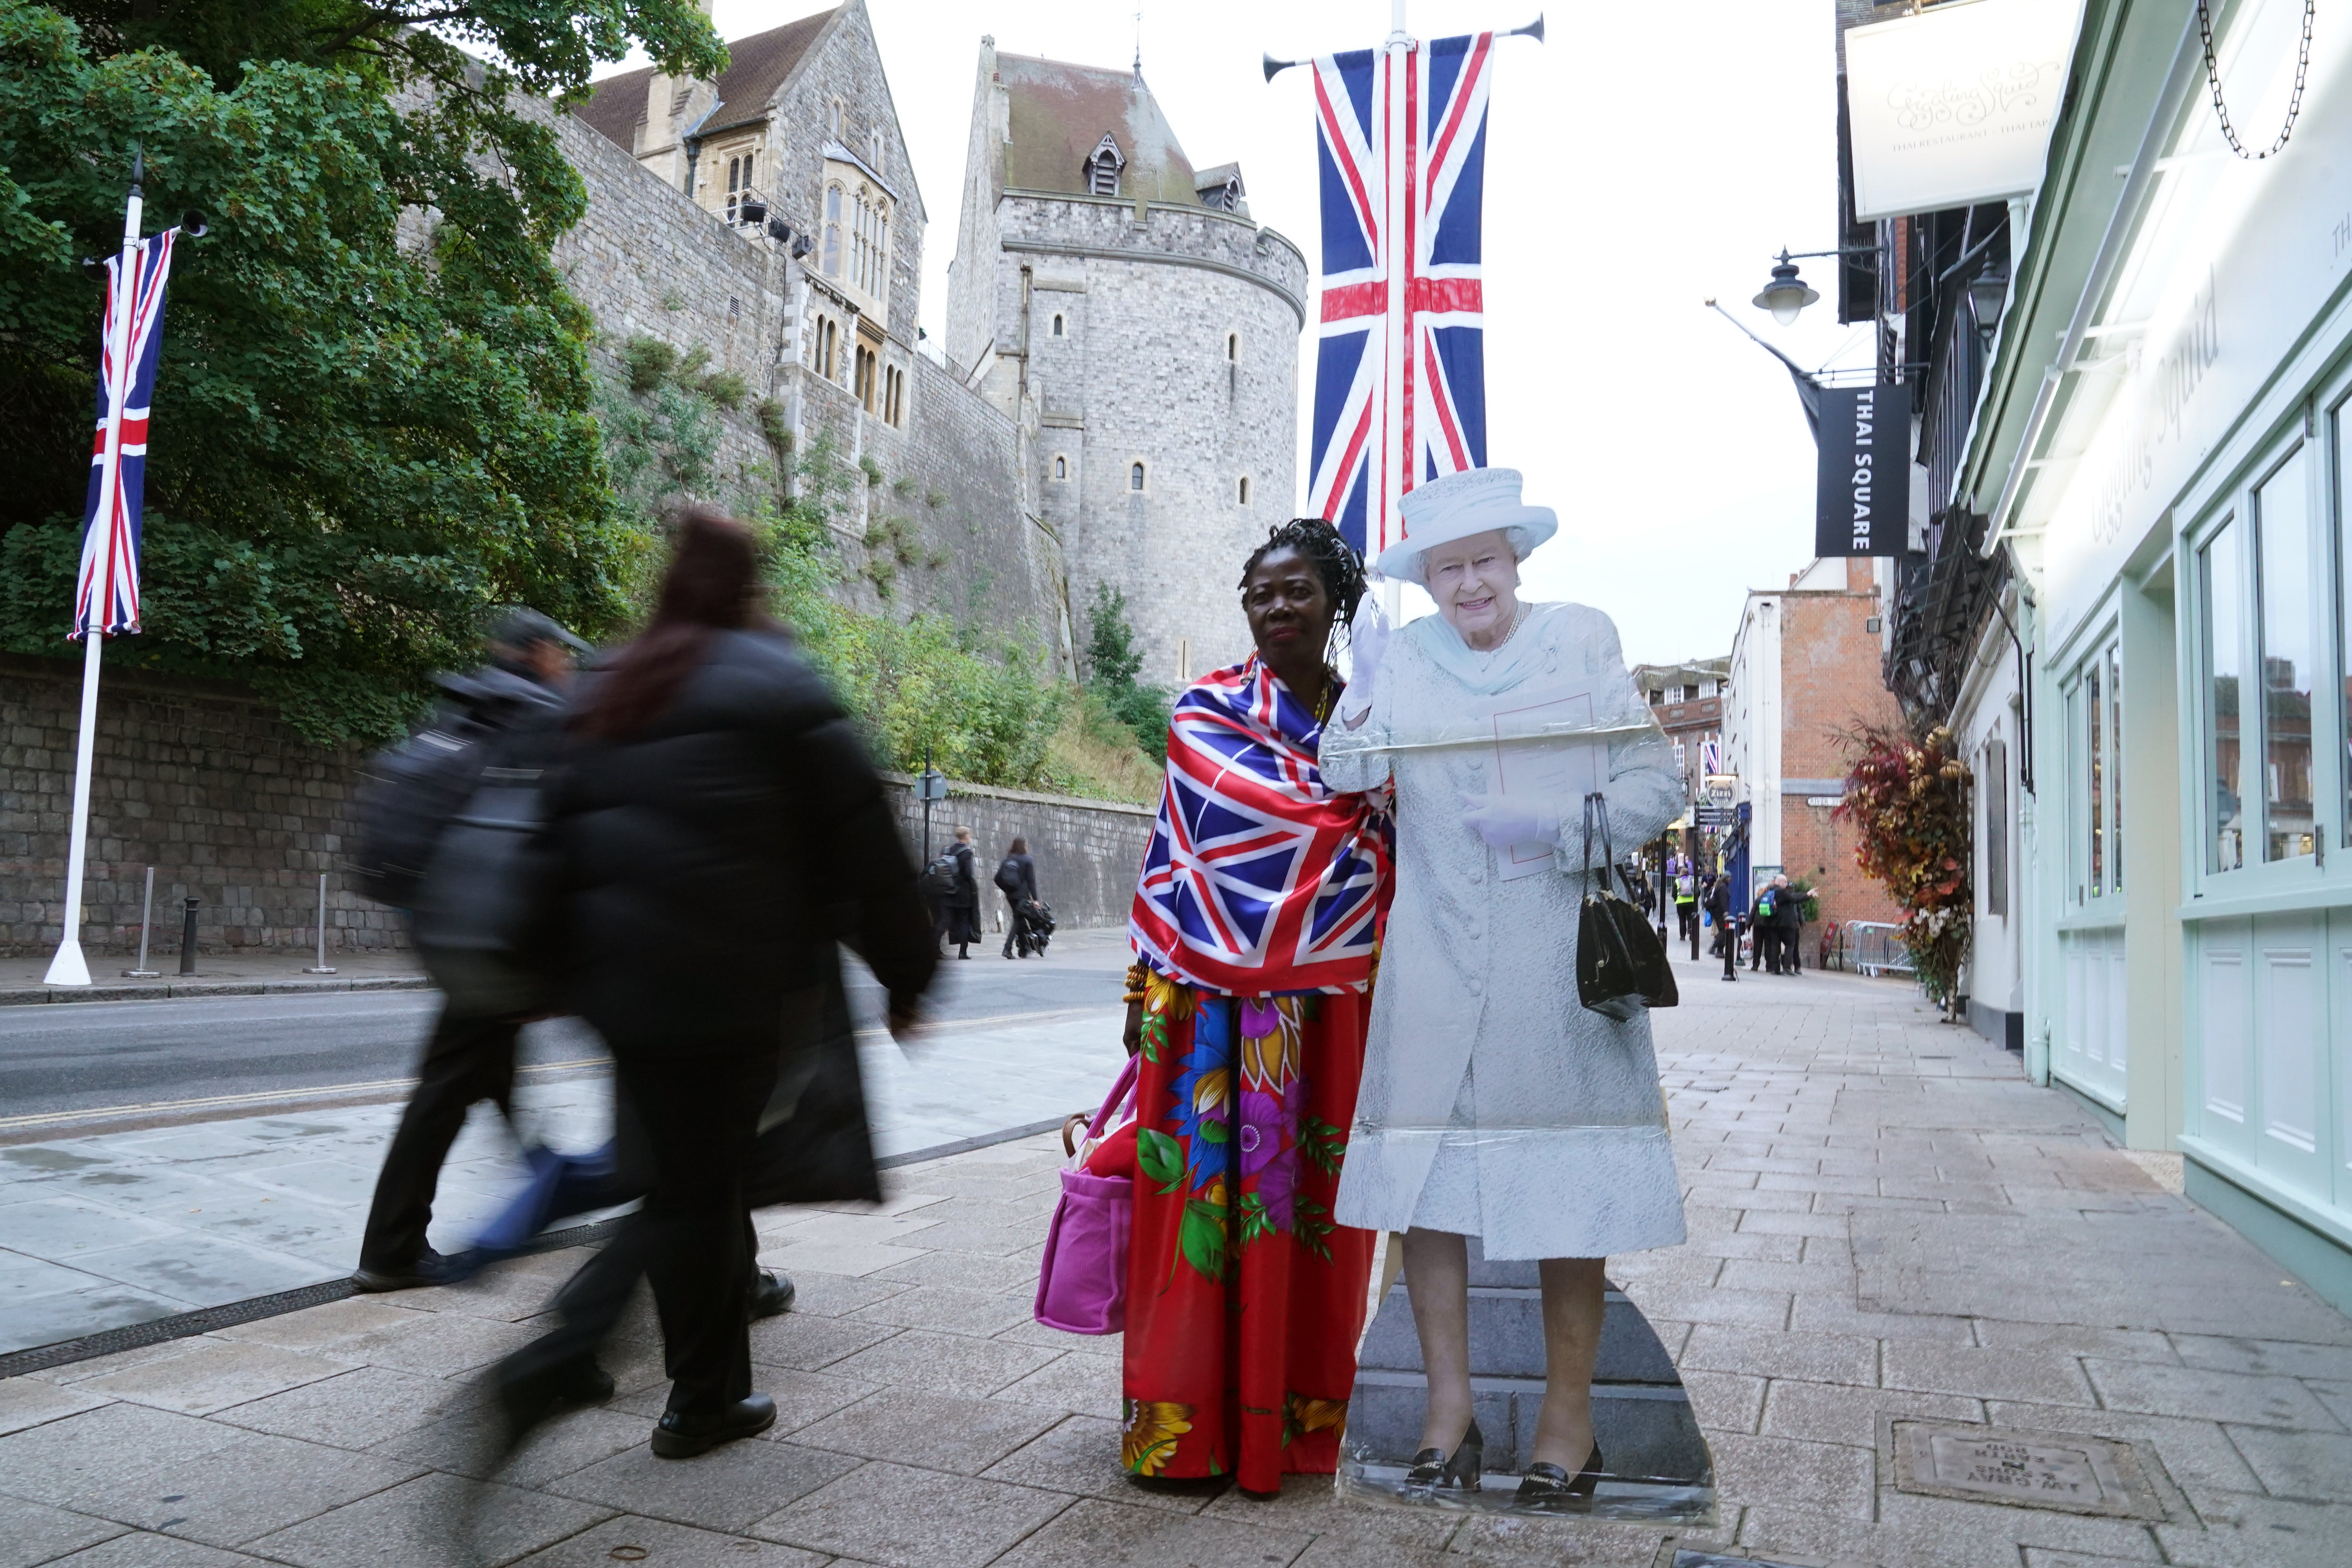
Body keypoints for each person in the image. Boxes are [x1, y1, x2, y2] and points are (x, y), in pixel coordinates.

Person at [496, 507, 935, 1457]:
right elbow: (866, 849)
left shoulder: (606, 682)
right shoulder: (777, 682)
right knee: (697, 1186)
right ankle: (606, 1366)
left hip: (620, 996)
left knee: (689, 1173)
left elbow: (548, 839)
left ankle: (698, 1384)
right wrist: (909, 974)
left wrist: (535, 970)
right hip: (738, 995)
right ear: (744, 590)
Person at [1325, 467, 1685, 1510]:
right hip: (1434, 958)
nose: (1470, 584)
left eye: (1485, 560)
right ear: (1427, 577)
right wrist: (1360, 689)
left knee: (1564, 1191)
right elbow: (1345, 775)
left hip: (1553, 963)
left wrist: (1561, 829)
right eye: (1449, 567)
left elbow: (1656, 784)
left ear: (1517, 557)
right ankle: (1451, 1419)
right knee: (1427, 1196)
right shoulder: (1413, 655)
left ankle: (1569, 1430)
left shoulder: (1581, 639)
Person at [1119, 517, 1392, 1495]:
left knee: (1313, 1214)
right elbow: (1207, 843)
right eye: (1261, 595)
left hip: (1323, 1015)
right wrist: (1360, 810)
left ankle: (1297, 1420)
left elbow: (1400, 837)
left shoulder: (1377, 723)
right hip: (1204, 1017)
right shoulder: (1205, 712)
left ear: (1336, 606)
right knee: (1201, 1213)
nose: (1277, 608)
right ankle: (1185, 1431)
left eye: (1298, 592)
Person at [354, 607, 587, 1292]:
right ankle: (396, 1247)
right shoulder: (540, 716)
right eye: (562, 654)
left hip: (446, 927)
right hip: (504, 940)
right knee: (455, 1082)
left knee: (469, 1075)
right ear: (540, 652)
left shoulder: (461, 707)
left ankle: (540, 1186)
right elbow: (556, 841)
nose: (569, 666)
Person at [938, 826, 981, 958]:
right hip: (962, 894)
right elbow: (968, 874)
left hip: (947, 891)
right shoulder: (966, 853)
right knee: (964, 922)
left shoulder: (948, 850)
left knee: (944, 921)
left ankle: (934, 948)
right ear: (967, 837)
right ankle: (963, 953)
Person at [996, 836, 1040, 958]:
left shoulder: (1008, 860)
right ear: (1024, 846)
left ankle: (1024, 949)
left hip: (1011, 895)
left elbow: (997, 878)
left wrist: (1007, 889)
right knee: (1017, 920)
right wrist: (1035, 899)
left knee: (1020, 920)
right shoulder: (1027, 860)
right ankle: (1007, 948)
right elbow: (1031, 882)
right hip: (1022, 896)